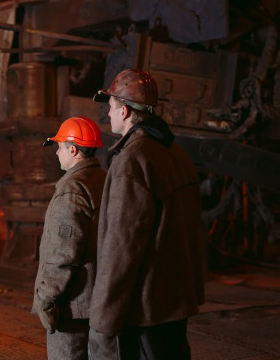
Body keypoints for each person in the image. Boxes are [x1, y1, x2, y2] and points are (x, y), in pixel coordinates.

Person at [88, 69, 205, 360]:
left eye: (111, 106)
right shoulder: (173, 151)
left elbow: (122, 245)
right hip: (175, 300)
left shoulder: (132, 159)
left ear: (125, 110)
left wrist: (103, 317)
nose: (109, 113)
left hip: (146, 308)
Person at [33, 116, 106, 360]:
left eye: (60, 147)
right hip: (99, 301)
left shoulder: (72, 189)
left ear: (73, 150)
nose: (56, 153)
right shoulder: (103, 180)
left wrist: (47, 298)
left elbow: (62, 253)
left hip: (72, 307)